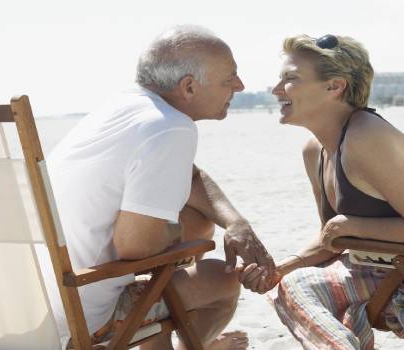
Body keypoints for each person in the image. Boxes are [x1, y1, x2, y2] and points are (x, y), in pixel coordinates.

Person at [238, 34, 404, 349]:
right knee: (291, 282)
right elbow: (332, 239)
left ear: (334, 86)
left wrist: (352, 226)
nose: (276, 90)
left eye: (290, 79)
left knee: (298, 289)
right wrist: (283, 266)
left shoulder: (366, 137)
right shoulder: (315, 150)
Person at [40, 25, 274, 350]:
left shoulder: (124, 108)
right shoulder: (169, 128)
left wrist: (235, 222)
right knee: (222, 280)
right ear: (189, 87)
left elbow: (192, 179)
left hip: (28, 303)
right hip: (81, 316)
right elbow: (135, 247)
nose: (240, 85)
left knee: (193, 221)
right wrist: (179, 240)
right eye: (228, 78)